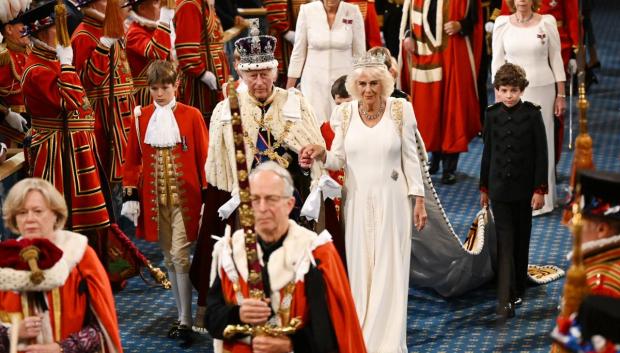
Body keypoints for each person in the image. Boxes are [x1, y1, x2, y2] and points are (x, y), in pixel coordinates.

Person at [194, 26, 342, 334]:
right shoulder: (226, 110)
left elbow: (313, 156)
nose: (259, 82)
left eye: (265, 74)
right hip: (244, 201)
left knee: (293, 261)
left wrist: (305, 162)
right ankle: (249, 310)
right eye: (253, 76)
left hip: (291, 201)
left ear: (275, 72)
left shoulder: (296, 104)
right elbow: (220, 171)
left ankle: (300, 314)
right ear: (242, 74)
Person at [300, 51, 428, 352]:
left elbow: (412, 160)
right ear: (354, 86)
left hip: (393, 201)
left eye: (373, 83)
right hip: (355, 203)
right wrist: (320, 152)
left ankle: (388, 342)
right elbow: (338, 159)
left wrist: (418, 201)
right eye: (362, 84)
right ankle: (360, 339)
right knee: (359, 269)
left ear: (383, 83)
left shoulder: (401, 110)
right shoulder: (344, 114)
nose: (368, 89)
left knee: (390, 270)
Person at [204, 161, 367, 353]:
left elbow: (330, 337)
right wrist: (237, 314)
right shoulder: (232, 251)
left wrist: (291, 344)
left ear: (289, 204)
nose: (262, 208)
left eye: (271, 199)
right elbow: (212, 320)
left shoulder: (314, 254)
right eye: (255, 199)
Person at [121, 60, 209, 347]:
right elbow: (132, 159)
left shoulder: (192, 115)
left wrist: (208, 195)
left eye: (165, 87)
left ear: (176, 86)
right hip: (155, 203)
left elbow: (203, 157)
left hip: (187, 200)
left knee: (181, 256)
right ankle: (182, 314)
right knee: (169, 258)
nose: (159, 93)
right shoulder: (140, 117)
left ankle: (186, 319)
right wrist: (131, 194)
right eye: (154, 88)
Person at [0, 178, 122, 353]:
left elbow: (103, 328)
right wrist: (13, 333)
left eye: (38, 211)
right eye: (21, 212)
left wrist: (61, 348)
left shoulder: (80, 255)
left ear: (55, 214)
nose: (29, 219)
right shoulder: (6, 263)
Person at [20, 1, 110, 234]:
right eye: (57, 29)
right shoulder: (36, 68)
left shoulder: (52, 59)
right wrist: (68, 62)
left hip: (73, 147)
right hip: (56, 152)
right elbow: (70, 100)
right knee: (61, 217)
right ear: (41, 32)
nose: (64, 35)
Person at [480, 63, 548, 319]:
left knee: (521, 241)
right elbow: (487, 153)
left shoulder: (532, 115)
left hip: (524, 191)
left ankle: (519, 286)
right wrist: (484, 187)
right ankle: (506, 296)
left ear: (522, 91)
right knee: (505, 242)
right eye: (504, 90)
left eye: (514, 91)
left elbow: (542, 154)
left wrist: (540, 189)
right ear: (497, 90)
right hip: (499, 190)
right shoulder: (492, 114)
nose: (509, 96)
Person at [491, 0, 566, 216]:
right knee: (514, 143)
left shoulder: (548, 22)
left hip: (543, 90)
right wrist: (499, 95)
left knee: (542, 144)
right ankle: (518, 197)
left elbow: (556, 59)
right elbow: (496, 63)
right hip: (512, 94)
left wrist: (560, 94)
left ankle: (545, 198)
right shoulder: (502, 24)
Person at [401, 0, 483, 185]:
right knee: (429, 111)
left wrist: (461, 25)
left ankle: (449, 167)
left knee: (451, 109)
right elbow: (407, 21)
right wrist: (407, 36)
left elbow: (474, 21)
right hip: (423, 57)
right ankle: (434, 157)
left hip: (452, 55)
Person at [71, 0, 137, 220]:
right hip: (104, 119)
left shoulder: (110, 29)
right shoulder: (84, 35)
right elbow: (87, 82)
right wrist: (104, 45)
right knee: (110, 183)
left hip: (123, 116)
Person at [286, 0, 366, 124]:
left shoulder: (353, 11)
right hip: (313, 83)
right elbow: (298, 52)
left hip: (344, 84)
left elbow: (360, 54)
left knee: (344, 124)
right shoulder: (306, 11)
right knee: (315, 125)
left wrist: (362, 85)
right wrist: (289, 89)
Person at [174, 0, 230, 122]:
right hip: (201, 78)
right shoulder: (190, 4)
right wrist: (201, 73)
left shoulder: (203, 3)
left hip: (214, 70)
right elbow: (186, 49)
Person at [125, 0, 173, 107]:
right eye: (156, 2)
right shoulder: (134, 32)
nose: (160, 6)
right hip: (147, 98)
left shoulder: (152, 29)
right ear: (141, 8)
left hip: (162, 93)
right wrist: (164, 21)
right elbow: (159, 53)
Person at [0, 3, 30, 147]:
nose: (26, 28)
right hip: (12, 130)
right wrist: (6, 113)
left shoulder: (31, 52)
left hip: (35, 122)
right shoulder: (2, 57)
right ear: (9, 29)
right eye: (22, 25)